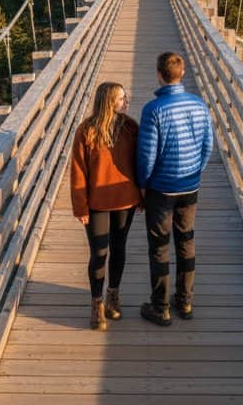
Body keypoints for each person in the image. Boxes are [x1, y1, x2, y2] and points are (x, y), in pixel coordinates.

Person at [136, 51, 214, 326]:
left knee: (159, 246)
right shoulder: (199, 105)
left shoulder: (153, 110)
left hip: (161, 188)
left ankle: (161, 307)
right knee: (186, 240)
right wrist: (194, 172)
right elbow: (208, 147)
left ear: (159, 74)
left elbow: (146, 156)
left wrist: (143, 185)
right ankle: (185, 301)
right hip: (189, 185)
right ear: (184, 73)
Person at [69, 81, 140, 331]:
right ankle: (96, 302)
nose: (126, 101)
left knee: (119, 249)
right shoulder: (86, 131)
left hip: (126, 199)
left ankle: (113, 295)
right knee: (99, 253)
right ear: (109, 101)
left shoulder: (130, 127)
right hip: (97, 202)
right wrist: (80, 207)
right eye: (121, 98)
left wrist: (141, 195)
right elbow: (78, 171)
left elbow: (139, 162)